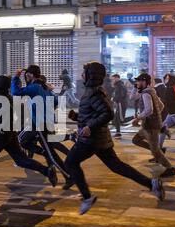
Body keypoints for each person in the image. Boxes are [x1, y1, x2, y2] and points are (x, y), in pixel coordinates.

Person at [64, 62, 165, 215]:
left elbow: (107, 114)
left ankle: (87, 197)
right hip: (99, 139)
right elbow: (94, 114)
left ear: (90, 75)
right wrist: (78, 117)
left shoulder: (94, 93)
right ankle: (152, 184)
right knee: (117, 166)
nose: (81, 75)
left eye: (84, 72)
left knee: (70, 162)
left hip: (91, 140)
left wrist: (89, 127)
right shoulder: (92, 91)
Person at [0, 75, 57, 196]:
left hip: (1, 134)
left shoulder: (0, 98)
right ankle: (47, 171)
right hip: (10, 133)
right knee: (21, 160)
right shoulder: (7, 97)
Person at [11, 65, 71, 188]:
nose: (26, 78)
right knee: (22, 141)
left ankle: (69, 176)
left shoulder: (35, 87)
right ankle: (44, 153)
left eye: (27, 75)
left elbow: (15, 92)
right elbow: (55, 102)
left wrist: (16, 77)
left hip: (40, 124)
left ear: (31, 75)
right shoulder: (44, 87)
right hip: (44, 122)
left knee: (50, 154)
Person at [131, 73, 175, 178]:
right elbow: (160, 106)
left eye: (139, 81)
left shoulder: (146, 94)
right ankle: (157, 151)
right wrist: (135, 87)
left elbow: (149, 110)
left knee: (155, 151)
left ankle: (170, 168)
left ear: (144, 82)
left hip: (151, 127)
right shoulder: (151, 92)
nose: (137, 83)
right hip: (148, 125)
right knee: (136, 140)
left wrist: (139, 117)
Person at [111, 74, 128, 139]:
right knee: (117, 118)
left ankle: (134, 117)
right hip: (120, 103)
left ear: (117, 78)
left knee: (120, 118)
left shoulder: (120, 85)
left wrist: (114, 99)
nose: (113, 80)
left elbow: (121, 95)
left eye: (113, 79)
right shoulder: (118, 85)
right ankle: (118, 132)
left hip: (121, 103)